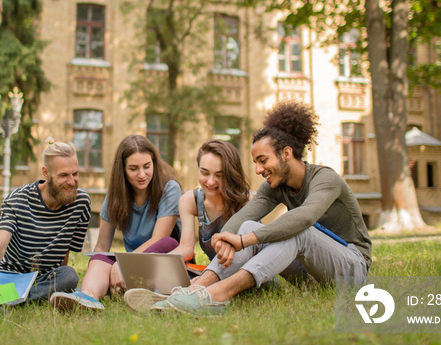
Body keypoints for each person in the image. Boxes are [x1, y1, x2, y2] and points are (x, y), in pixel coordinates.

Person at [156, 100, 372, 315]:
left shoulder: (326, 179)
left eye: (263, 160)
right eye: (256, 162)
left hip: (351, 268)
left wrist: (243, 241)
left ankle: (217, 296)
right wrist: (226, 236)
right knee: (249, 225)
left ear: (286, 154)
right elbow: (243, 218)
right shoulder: (275, 186)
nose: (258, 169)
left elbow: (304, 218)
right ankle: (194, 290)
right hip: (309, 276)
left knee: (298, 231)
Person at [0, 138, 91, 319]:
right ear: (46, 173)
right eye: (64, 175)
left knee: (69, 276)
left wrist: (58, 284)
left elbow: (64, 253)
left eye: (75, 174)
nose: (72, 182)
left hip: (37, 279)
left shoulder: (81, 202)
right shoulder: (18, 199)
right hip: (3, 273)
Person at [51, 134, 181, 311]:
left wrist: (123, 263)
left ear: (154, 164)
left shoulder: (170, 189)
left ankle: (136, 287)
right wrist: (99, 266)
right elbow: (102, 245)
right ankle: (87, 297)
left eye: (147, 166)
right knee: (100, 257)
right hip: (132, 266)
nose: (142, 174)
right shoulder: (115, 196)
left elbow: (159, 240)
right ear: (123, 170)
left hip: (163, 262)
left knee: (168, 242)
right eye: (133, 169)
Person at [123, 139, 250, 311]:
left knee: (200, 280)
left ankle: (183, 295)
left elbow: (251, 251)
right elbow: (186, 249)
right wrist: (152, 266)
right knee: (180, 272)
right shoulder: (190, 200)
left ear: (231, 174)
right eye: (204, 173)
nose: (211, 182)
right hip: (215, 273)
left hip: (245, 274)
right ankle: (173, 295)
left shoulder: (244, 203)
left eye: (219, 175)